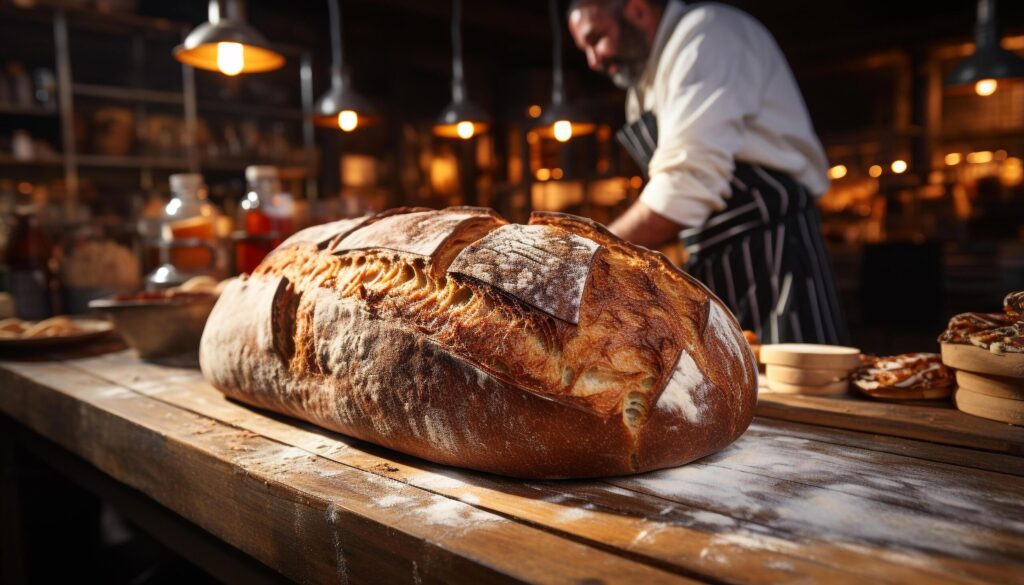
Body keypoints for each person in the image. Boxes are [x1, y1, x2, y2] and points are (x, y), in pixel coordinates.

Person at [567, 0, 850, 345]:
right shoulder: (641, 91)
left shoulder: (706, 35)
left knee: (801, 390)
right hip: (713, 261)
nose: (593, 60)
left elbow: (686, 184)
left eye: (596, 38)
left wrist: (582, 256)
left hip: (775, 252)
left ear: (637, 10)